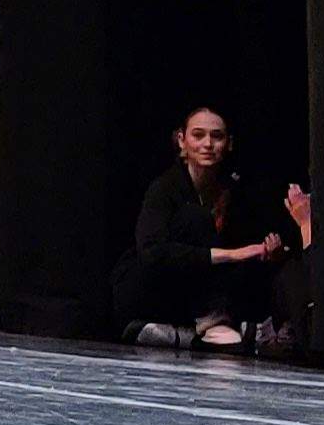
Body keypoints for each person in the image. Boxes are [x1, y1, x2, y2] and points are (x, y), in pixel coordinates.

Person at [113, 107, 294, 350]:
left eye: (216, 136)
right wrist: (232, 254)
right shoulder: (164, 189)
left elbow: (248, 247)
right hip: (148, 287)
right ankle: (212, 322)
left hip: (194, 297)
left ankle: (188, 334)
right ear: (181, 141)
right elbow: (152, 253)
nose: (207, 143)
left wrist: (269, 252)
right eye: (198, 135)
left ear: (229, 143)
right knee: (194, 218)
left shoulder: (235, 192)